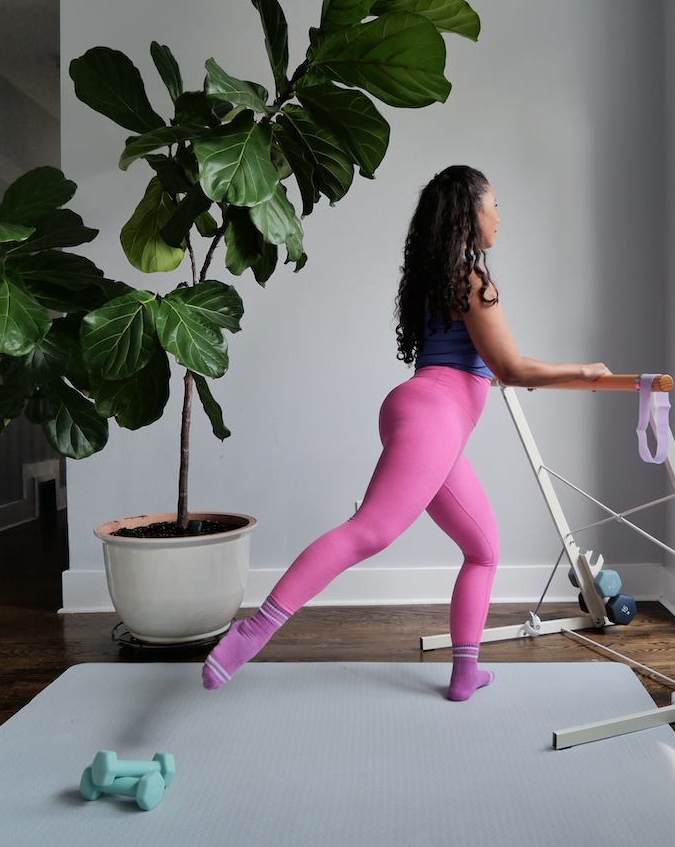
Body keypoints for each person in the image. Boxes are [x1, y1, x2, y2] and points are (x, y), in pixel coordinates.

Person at [202, 165, 610, 701]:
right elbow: (510, 368)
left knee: (483, 549)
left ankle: (466, 674)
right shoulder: (471, 278)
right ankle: (251, 634)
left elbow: (489, 364)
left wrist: (509, 373)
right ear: (471, 213)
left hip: (423, 415)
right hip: (433, 419)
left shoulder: (436, 275)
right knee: (369, 531)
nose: (499, 217)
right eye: (495, 205)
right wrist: (585, 372)